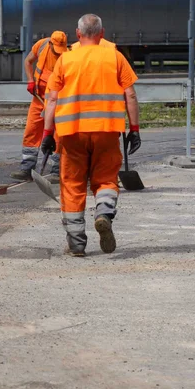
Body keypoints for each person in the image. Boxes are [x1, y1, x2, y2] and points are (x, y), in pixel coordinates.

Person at [41, 14, 141, 256]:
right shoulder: (115, 57)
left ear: (77, 34)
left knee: (73, 185)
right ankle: (104, 213)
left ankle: (76, 244)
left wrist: (47, 133)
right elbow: (130, 95)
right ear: (102, 33)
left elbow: (52, 99)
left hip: (72, 134)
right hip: (107, 131)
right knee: (106, 179)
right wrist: (134, 130)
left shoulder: (65, 60)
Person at [10, 30, 68, 183]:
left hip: (58, 101)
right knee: (31, 130)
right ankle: (27, 168)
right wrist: (30, 81)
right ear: (50, 43)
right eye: (56, 50)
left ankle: (57, 170)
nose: (58, 53)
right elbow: (28, 61)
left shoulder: (68, 55)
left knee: (58, 135)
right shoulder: (41, 46)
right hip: (39, 98)